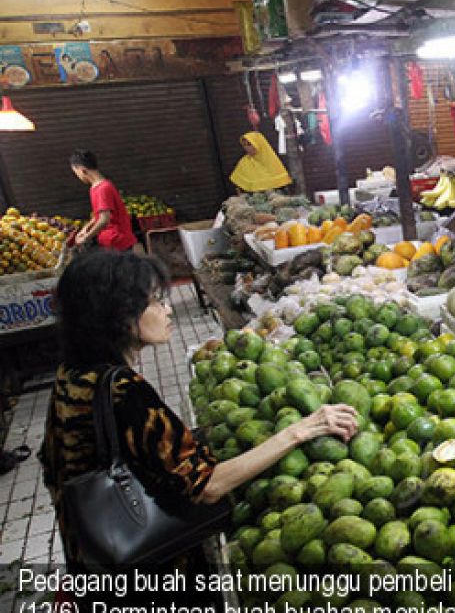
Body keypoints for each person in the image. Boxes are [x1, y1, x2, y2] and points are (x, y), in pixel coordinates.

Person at [40, 251, 359, 600]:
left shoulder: (71, 375)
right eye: (156, 302)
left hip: (91, 557)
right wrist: (300, 430)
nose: (169, 310)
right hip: (149, 576)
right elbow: (206, 485)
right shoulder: (123, 390)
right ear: (117, 315)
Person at [70, 150, 137, 251]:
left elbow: (104, 219)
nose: (78, 177)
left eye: (76, 173)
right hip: (110, 241)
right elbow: (98, 215)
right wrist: (86, 228)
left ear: (83, 170)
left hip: (117, 242)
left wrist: (86, 237)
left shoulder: (103, 189)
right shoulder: (96, 187)